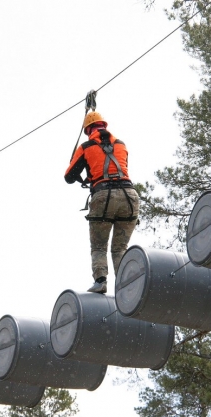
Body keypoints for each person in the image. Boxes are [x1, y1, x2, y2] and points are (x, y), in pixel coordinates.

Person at [64, 111, 140, 294]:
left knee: (99, 246)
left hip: (103, 196)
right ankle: (126, 285)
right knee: (120, 248)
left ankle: (100, 281)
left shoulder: (86, 146)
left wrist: (84, 177)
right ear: (103, 126)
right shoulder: (121, 145)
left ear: (88, 129)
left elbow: (69, 176)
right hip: (129, 196)